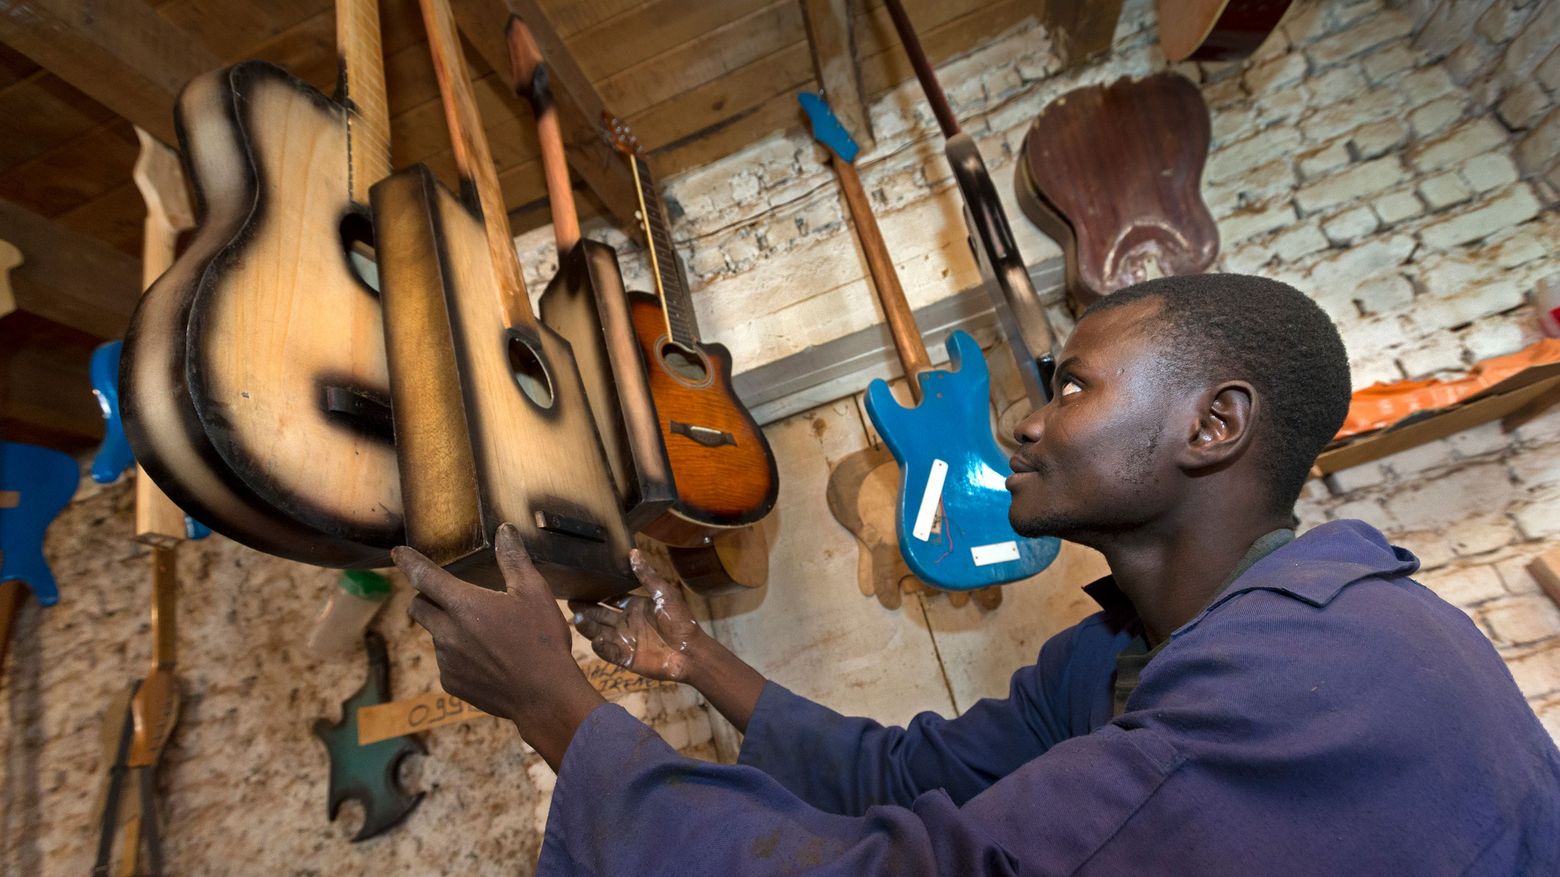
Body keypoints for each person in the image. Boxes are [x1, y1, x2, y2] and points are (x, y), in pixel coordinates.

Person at [395, 274, 1560, 876]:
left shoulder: (1317, 676)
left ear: (1215, 425)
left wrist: (554, 704)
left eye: (1071, 386)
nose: (1023, 421)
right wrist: (689, 654)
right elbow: (898, 776)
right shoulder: (1124, 656)